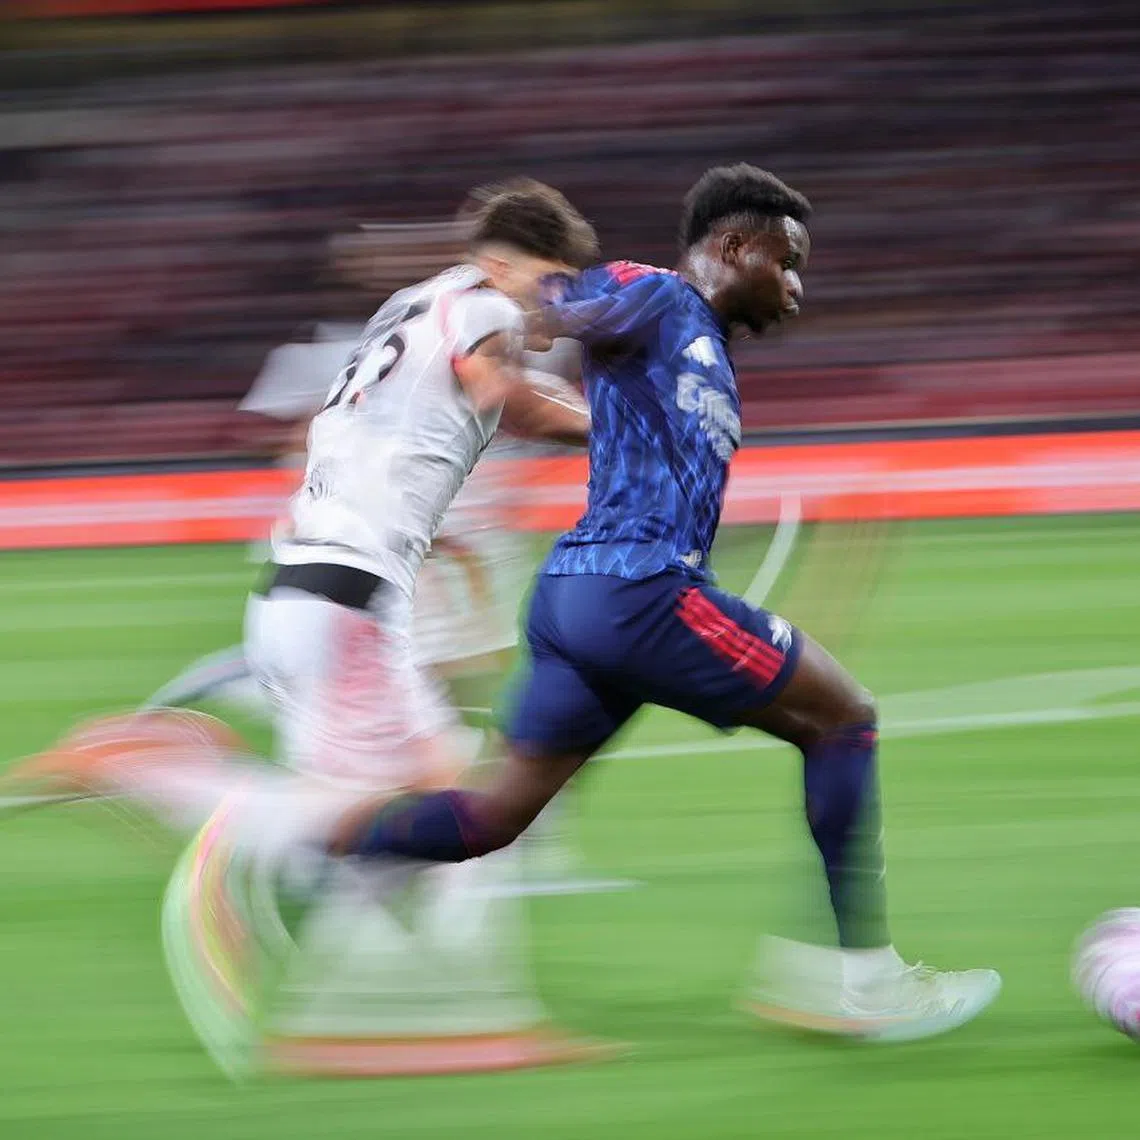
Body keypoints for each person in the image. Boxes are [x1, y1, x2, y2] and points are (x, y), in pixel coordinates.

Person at [319, 163, 1002, 1042]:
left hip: (584, 601)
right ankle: (857, 981)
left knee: (491, 819)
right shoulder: (659, 297)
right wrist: (495, 300)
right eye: (787, 263)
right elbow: (555, 298)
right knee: (844, 720)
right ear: (733, 247)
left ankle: (302, 842)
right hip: (639, 591)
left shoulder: (696, 345)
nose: (796, 287)